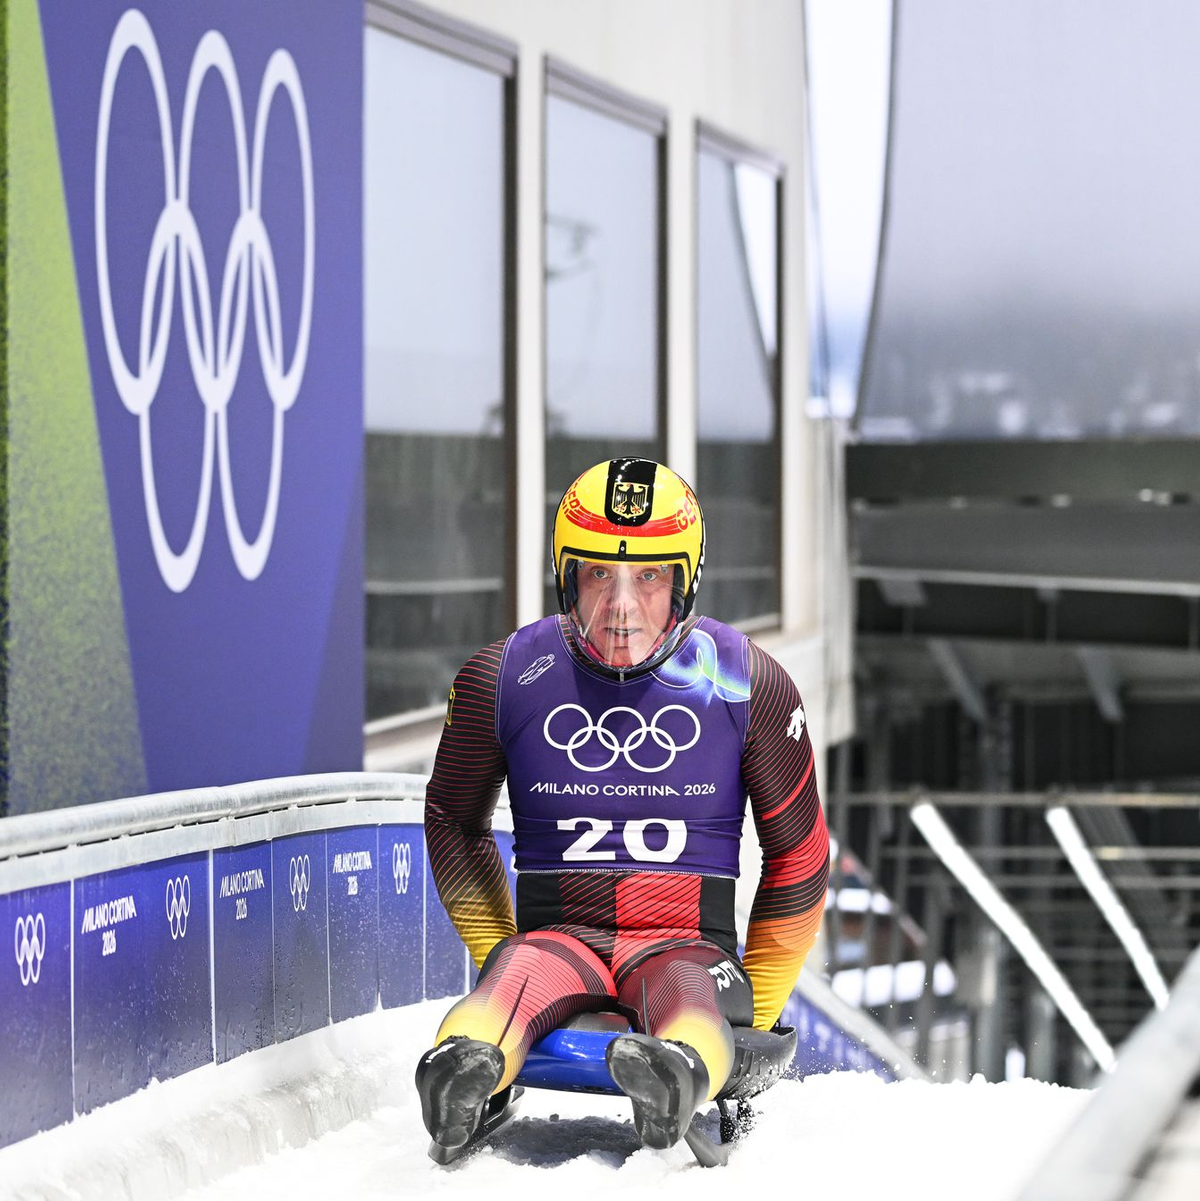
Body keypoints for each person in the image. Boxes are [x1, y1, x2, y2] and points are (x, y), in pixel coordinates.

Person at [415, 457, 829, 1157]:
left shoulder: (750, 682)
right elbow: (453, 818)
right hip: (560, 940)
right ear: (566, 575)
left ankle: (680, 1069)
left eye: (650, 576)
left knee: (688, 988)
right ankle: (462, 1063)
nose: (622, 606)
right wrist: (496, 947)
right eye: (598, 574)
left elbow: (800, 851)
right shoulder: (502, 676)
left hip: (686, 947)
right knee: (518, 973)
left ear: (685, 580)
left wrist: (756, 1005)